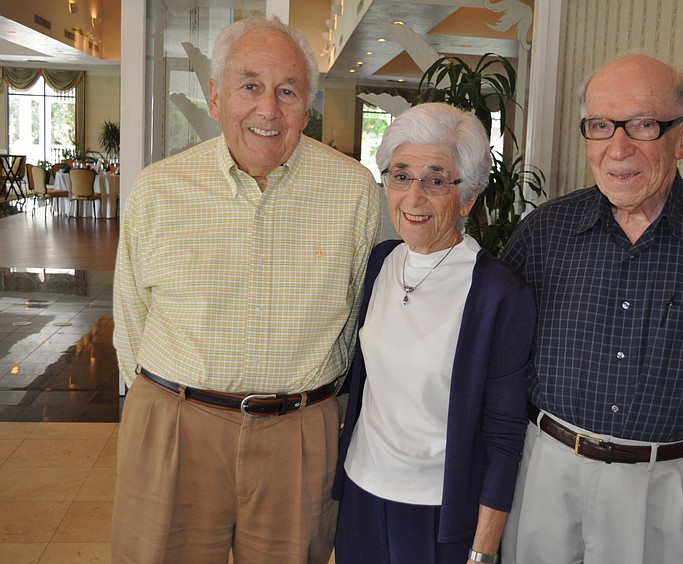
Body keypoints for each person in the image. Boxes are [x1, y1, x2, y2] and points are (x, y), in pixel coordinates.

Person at [500, 54, 683, 564]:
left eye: (642, 125)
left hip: (670, 493)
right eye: (600, 126)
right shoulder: (542, 233)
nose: (617, 148)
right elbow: (497, 365)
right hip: (545, 478)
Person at [111, 17, 382, 564]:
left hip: (298, 438)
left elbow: (360, 319)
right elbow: (130, 318)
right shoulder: (158, 189)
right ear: (215, 97)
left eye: (288, 91)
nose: (269, 109)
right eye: (250, 86)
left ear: (307, 106)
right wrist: (166, 410)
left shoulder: (353, 191)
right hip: (175, 428)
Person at [332, 102, 537, 564]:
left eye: (436, 179)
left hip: (439, 513)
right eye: (401, 175)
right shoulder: (382, 261)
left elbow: (506, 435)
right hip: (362, 493)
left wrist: (482, 551)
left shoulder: (498, 293)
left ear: (468, 197)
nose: (414, 196)